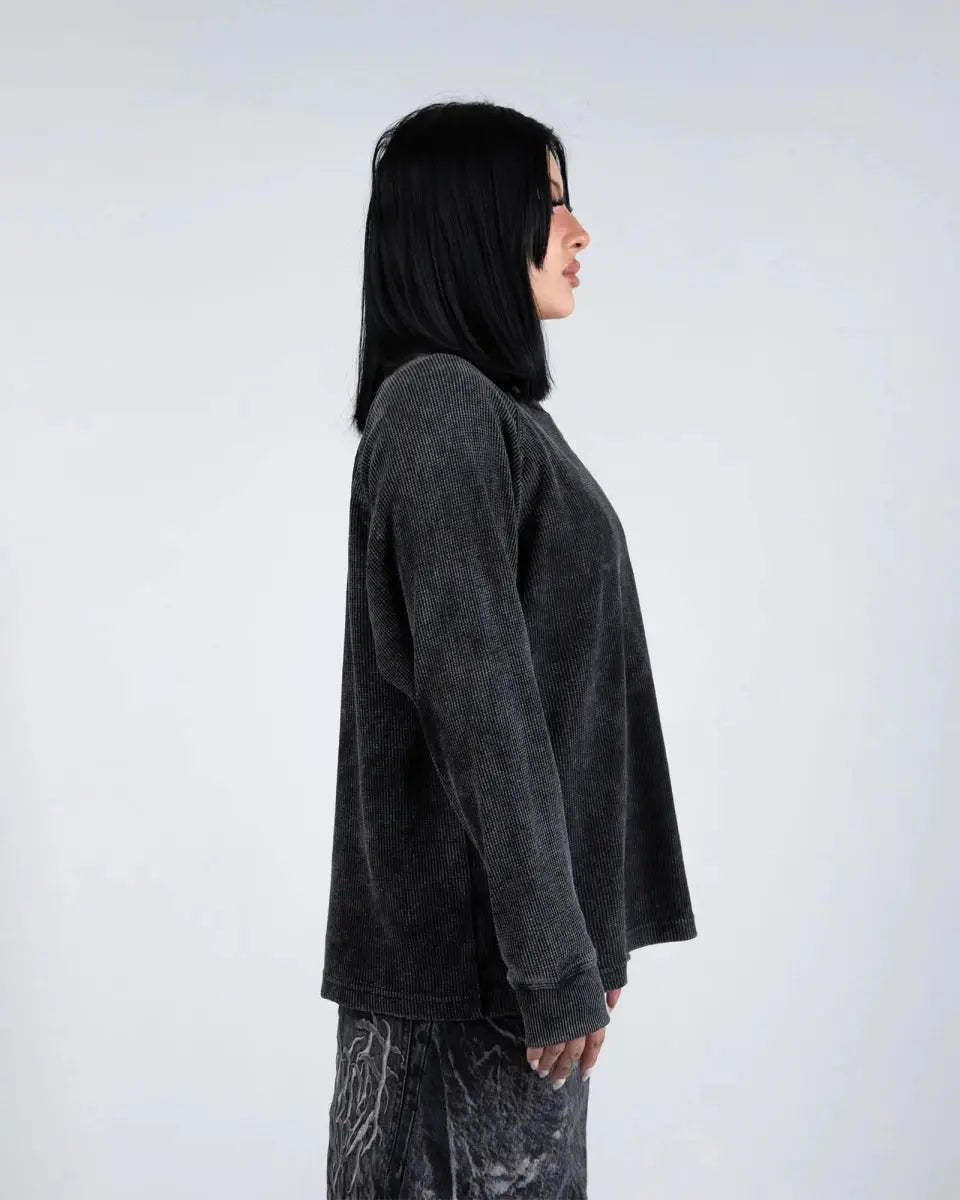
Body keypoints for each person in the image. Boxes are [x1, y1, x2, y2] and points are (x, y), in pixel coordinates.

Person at [322, 99, 697, 1199]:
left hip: (503, 982)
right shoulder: (441, 409)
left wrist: (578, 936)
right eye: (551, 203)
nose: (580, 233)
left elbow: (543, 687)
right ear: (476, 223)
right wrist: (553, 955)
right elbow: (479, 701)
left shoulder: (494, 415)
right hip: (469, 987)